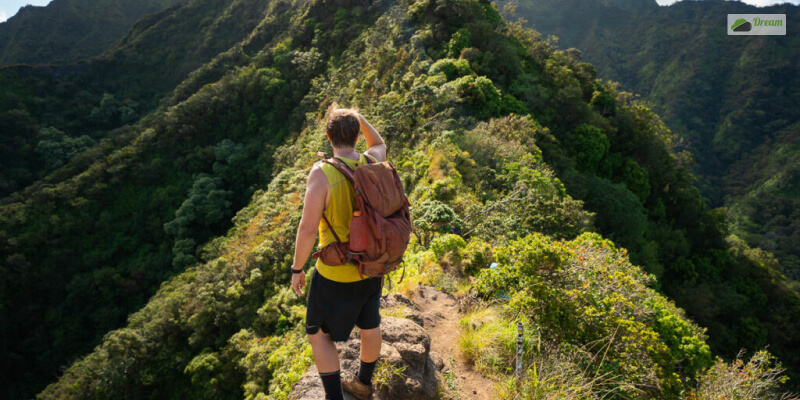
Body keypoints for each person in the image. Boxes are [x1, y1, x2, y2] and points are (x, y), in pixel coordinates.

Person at [290, 108, 387, 400]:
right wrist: (358, 117)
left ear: (328, 137)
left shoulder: (322, 174)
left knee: (317, 333)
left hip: (334, 273)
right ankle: (363, 383)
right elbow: (380, 143)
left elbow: (307, 229)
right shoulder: (371, 162)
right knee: (370, 325)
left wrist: (297, 269)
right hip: (370, 267)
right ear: (357, 136)